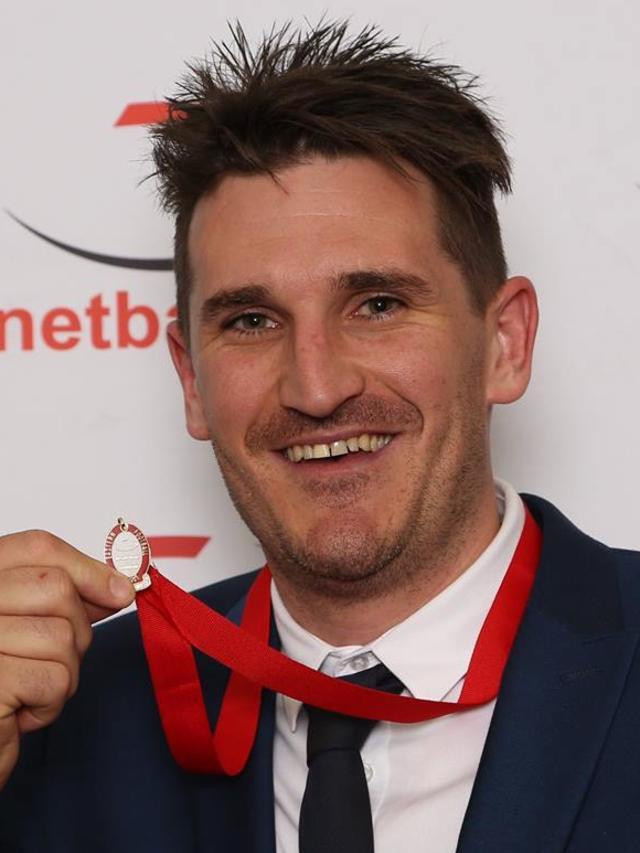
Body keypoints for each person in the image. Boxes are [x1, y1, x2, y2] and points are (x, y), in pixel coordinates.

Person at [1, 20, 639, 853]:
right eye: (252, 319)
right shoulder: (60, 718)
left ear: (505, 344)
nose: (316, 386)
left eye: (377, 304)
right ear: (191, 379)